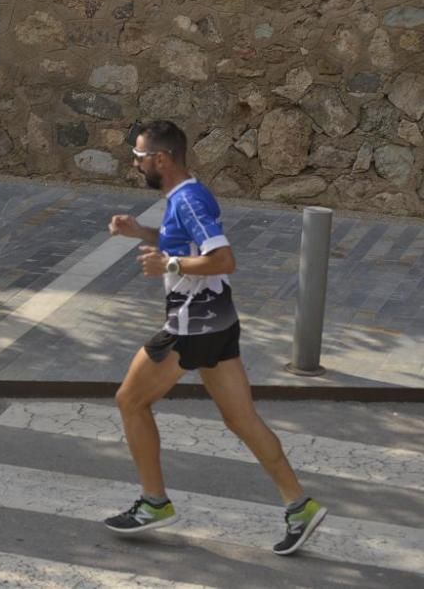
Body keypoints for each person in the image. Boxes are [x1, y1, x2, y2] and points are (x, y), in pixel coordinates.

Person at [103, 120, 326, 556]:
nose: (135, 164)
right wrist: (142, 233)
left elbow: (223, 260)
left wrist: (167, 266)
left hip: (192, 326)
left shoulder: (187, 201)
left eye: (139, 157)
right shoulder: (188, 193)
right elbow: (186, 244)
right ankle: (300, 506)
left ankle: (154, 502)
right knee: (241, 419)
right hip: (219, 323)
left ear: (161, 160)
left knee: (130, 401)